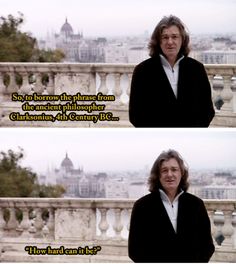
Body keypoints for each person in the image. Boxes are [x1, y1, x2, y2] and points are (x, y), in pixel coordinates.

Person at [128, 149, 215, 262]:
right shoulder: (142, 206)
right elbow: (135, 250)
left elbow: (207, 245)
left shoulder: (196, 204)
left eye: (174, 169)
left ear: (181, 173)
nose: (170, 174)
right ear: (158, 175)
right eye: (164, 170)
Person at [129, 15, 215, 127]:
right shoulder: (142, 71)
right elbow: (135, 115)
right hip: (158, 139)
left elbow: (207, 110)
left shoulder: (197, 69)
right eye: (165, 37)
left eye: (174, 37)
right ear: (158, 41)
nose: (170, 42)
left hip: (190, 138)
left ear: (182, 40)